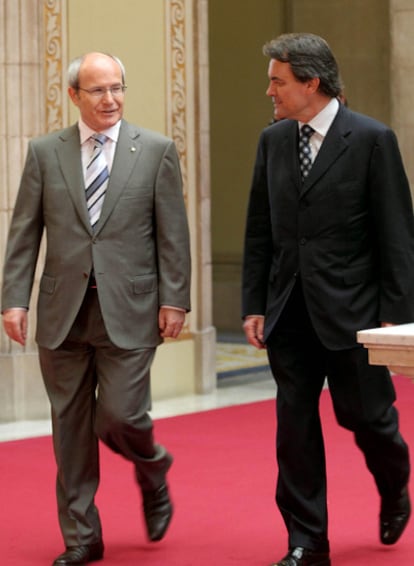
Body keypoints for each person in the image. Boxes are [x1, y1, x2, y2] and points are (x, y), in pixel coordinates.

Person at [1, 52, 191, 565]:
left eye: (117, 88)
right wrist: (13, 300)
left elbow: (173, 231)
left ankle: (152, 466)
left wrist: (176, 298)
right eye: (98, 90)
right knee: (69, 430)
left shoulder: (155, 150)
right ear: (74, 96)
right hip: (63, 311)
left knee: (120, 416)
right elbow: (24, 233)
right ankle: (82, 537)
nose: (110, 99)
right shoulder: (45, 153)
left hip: (131, 308)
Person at [242, 33, 414, 566]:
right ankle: (307, 541)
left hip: (354, 314)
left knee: (366, 418)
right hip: (288, 311)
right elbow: (259, 231)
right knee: (293, 427)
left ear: (311, 82)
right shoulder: (272, 141)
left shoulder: (371, 140)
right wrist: (253, 304)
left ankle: (394, 484)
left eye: (278, 80)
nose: (269, 90)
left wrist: (395, 320)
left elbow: (397, 234)